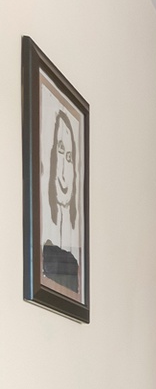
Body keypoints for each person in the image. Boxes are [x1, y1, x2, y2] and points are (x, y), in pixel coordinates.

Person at [41, 106, 81, 296]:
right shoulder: (46, 247)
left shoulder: (73, 260)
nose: (64, 168)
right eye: (60, 151)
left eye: (70, 157)